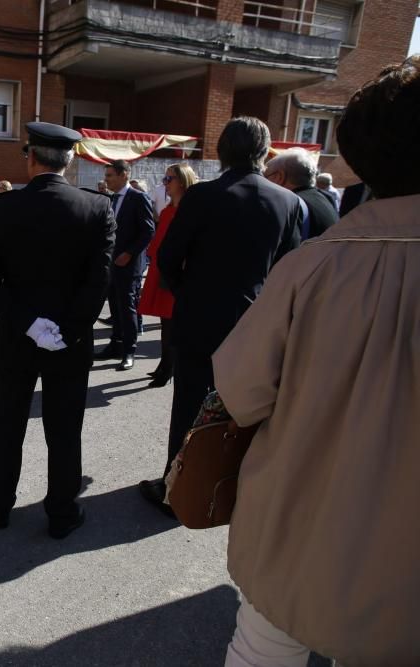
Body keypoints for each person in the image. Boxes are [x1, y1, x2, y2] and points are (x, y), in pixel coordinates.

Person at [216, 57, 420, 665]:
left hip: (294, 531)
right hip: (400, 575)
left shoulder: (313, 267)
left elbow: (242, 390)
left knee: (260, 652)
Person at [138, 116, 302, 516]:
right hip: (253, 322)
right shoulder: (288, 202)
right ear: (265, 153)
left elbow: (168, 257)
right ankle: (230, 486)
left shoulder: (203, 196)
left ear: (221, 151)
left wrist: (187, 293)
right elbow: (290, 269)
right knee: (242, 408)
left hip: (199, 319)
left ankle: (178, 491)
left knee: (190, 404)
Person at [0, 122, 115, 537]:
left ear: (31, 157)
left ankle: (0, 503)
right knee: (65, 427)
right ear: (69, 159)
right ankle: (61, 513)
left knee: (7, 421)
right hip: (70, 342)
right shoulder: (96, 208)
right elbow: (99, 281)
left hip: (18, 336)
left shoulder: (2, 207)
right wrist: (68, 330)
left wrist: (28, 324)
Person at [137, 163, 197, 388]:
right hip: (161, 269)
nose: (165, 183)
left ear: (182, 181)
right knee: (165, 322)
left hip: (175, 273)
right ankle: (165, 365)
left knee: (172, 322)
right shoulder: (168, 211)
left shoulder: (188, 212)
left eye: (168, 179)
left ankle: (169, 368)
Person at [97, 159, 155, 371]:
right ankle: (115, 345)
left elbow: (148, 231)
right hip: (111, 262)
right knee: (114, 306)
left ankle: (130, 350)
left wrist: (129, 253)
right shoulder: (110, 199)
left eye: (110, 175)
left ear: (124, 175)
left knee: (127, 306)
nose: (106, 180)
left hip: (129, 264)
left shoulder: (139, 198)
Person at [264, 148, 338, 239]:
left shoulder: (290, 207)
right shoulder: (326, 198)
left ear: (280, 177)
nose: (263, 181)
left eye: (265, 176)